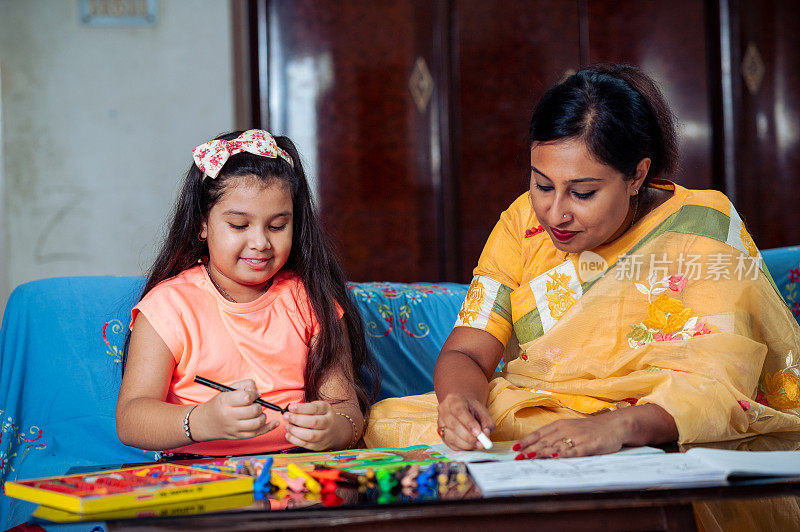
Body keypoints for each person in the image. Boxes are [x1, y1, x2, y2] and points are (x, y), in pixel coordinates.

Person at [365, 64, 800, 457]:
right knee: (388, 424)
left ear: (637, 175)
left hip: (655, 421)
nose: (555, 213)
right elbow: (467, 351)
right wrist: (460, 405)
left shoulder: (701, 226)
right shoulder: (522, 224)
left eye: (583, 193)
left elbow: (720, 384)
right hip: (542, 410)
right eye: (542, 185)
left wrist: (619, 427)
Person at [116, 129, 377, 456]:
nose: (261, 243)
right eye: (239, 226)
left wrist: (334, 428)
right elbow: (130, 418)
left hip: (294, 473)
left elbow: (346, 408)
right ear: (202, 224)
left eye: (278, 225)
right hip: (195, 480)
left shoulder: (311, 301)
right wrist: (200, 421)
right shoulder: (169, 308)